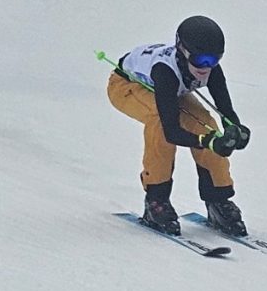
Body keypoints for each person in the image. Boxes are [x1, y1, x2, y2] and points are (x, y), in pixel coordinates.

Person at [107, 15, 251, 237]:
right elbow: (172, 131)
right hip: (126, 86)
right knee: (158, 121)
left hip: (170, 91)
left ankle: (218, 200)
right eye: (200, 59)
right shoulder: (165, 72)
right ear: (183, 51)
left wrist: (235, 130)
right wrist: (207, 142)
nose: (206, 67)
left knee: (206, 124)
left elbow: (226, 112)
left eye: (214, 59)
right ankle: (156, 200)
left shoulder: (211, 69)